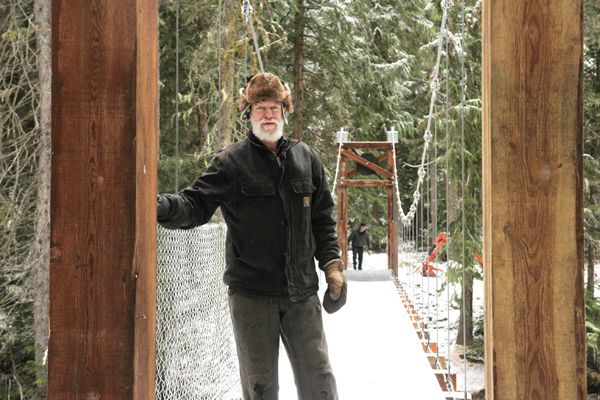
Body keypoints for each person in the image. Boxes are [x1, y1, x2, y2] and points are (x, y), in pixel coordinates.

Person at [156, 72, 346, 400]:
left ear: (284, 111)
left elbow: (322, 221)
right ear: (249, 114)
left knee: (321, 385)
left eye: (274, 107)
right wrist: (157, 206)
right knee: (261, 389)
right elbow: (195, 204)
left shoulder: (308, 159)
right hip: (251, 296)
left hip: (301, 294)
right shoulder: (231, 162)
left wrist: (332, 266)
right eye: (260, 108)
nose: (268, 115)